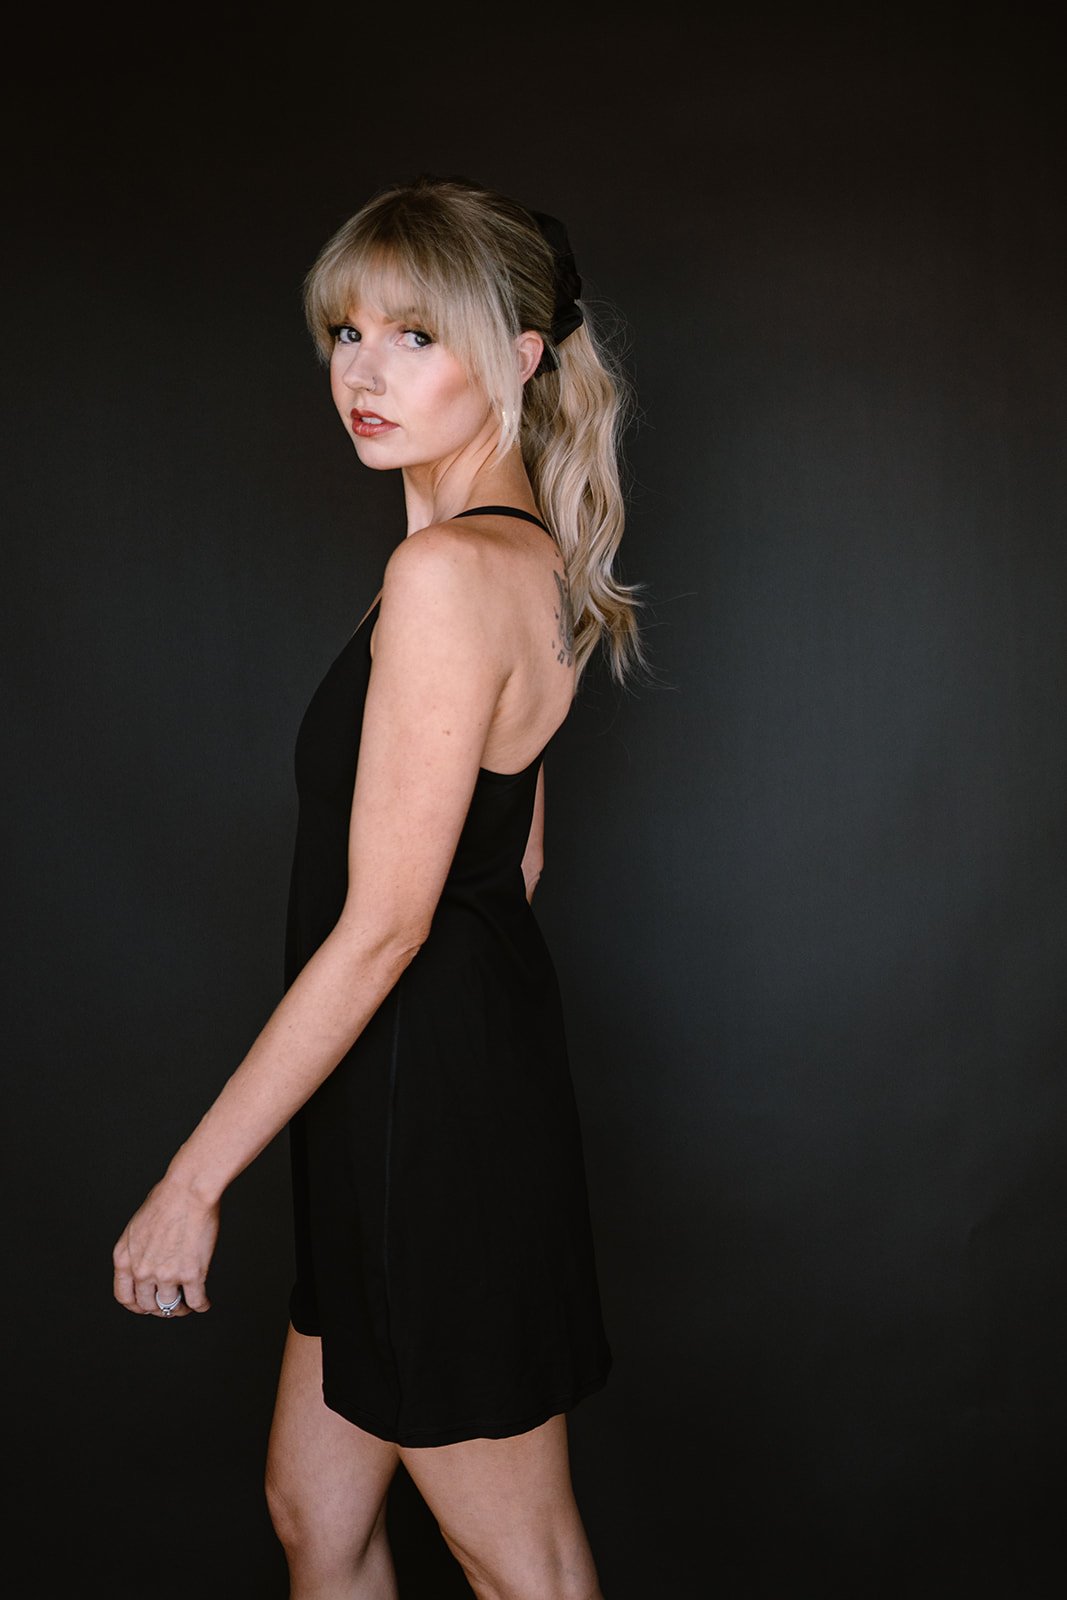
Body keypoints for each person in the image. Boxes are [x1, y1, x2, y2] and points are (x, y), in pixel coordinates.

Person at [112, 173, 644, 1600]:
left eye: (416, 335)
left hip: (427, 1125)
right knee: (317, 1511)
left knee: (518, 1556)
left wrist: (192, 1180)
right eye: (346, 334)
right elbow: (515, 863)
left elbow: (395, 922)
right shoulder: (512, 563)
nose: (363, 371)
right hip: (412, 1099)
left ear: (520, 356)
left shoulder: (446, 578)